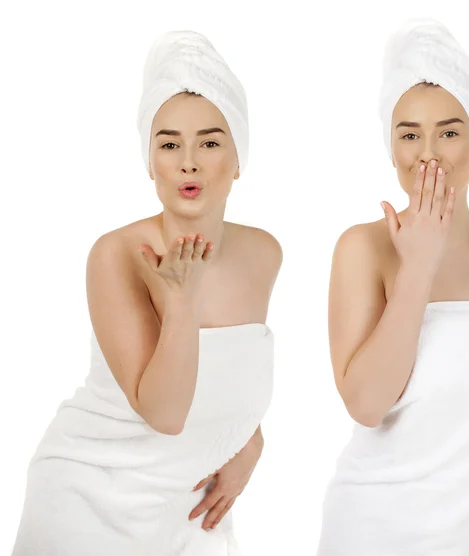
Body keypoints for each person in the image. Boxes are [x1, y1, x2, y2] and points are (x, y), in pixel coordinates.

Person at [12, 30, 282, 556]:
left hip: (189, 505)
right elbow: (164, 414)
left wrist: (251, 440)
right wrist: (181, 302)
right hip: (91, 499)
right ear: (149, 161)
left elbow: (234, 373)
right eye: (168, 143)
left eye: (209, 141)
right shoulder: (117, 255)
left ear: (238, 157)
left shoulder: (264, 253)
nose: (188, 162)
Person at [316, 18, 469, 556]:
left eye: (449, 132)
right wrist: (418, 270)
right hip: (381, 533)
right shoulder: (364, 248)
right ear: (392, 148)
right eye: (409, 134)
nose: (428, 153)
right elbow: (366, 404)